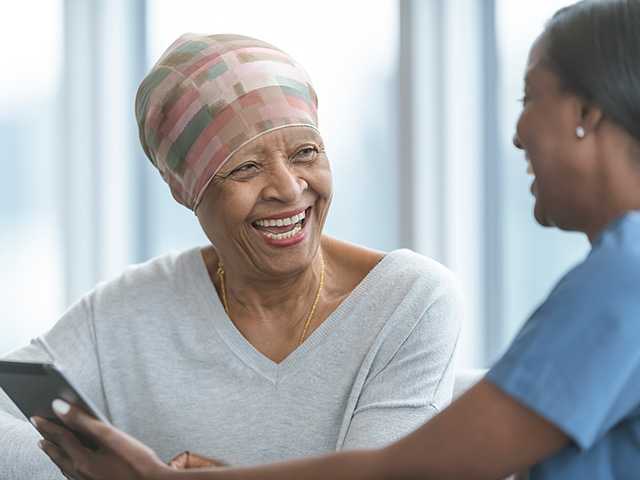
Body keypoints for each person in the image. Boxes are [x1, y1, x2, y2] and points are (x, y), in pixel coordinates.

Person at [31, 0, 640, 479]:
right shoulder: (617, 275)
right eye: (244, 167)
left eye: (529, 98)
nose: (517, 134)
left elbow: (406, 470)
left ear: (587, 114)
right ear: (185, 189)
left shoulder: (623, 282)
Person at [0, 34, 463, 479]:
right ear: (187, 189)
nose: (288, 188)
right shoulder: (130, 308)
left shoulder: (409, 299)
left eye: (306, 152)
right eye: (246, 167)